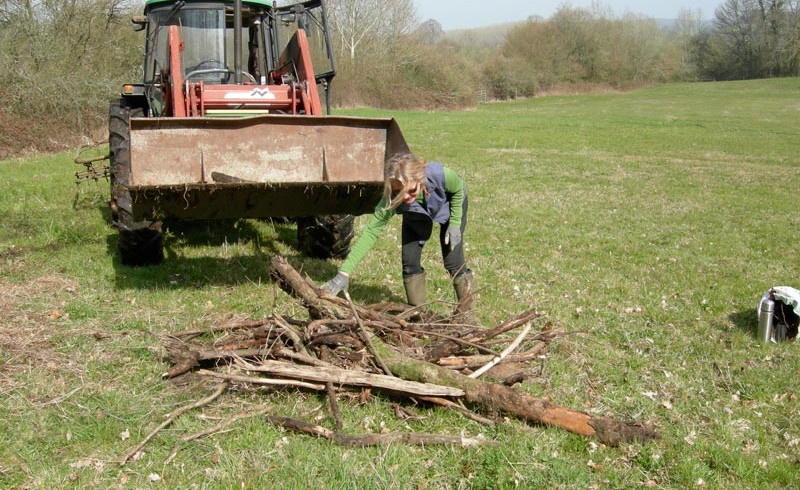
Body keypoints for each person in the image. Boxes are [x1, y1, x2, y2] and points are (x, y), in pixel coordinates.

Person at [321, 152, 476, 320]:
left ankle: (467, 316)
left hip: (450, 207)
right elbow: (371, 232)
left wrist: (454, 224)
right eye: (399, 192)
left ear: (420, 179)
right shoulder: (392, 198)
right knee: (409, 263)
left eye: (411, 190)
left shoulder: (440, 175)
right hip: (416, 215)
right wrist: (344, 273)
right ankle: (418, 317)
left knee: (453, 261)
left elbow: (459, 188)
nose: (406, 197)